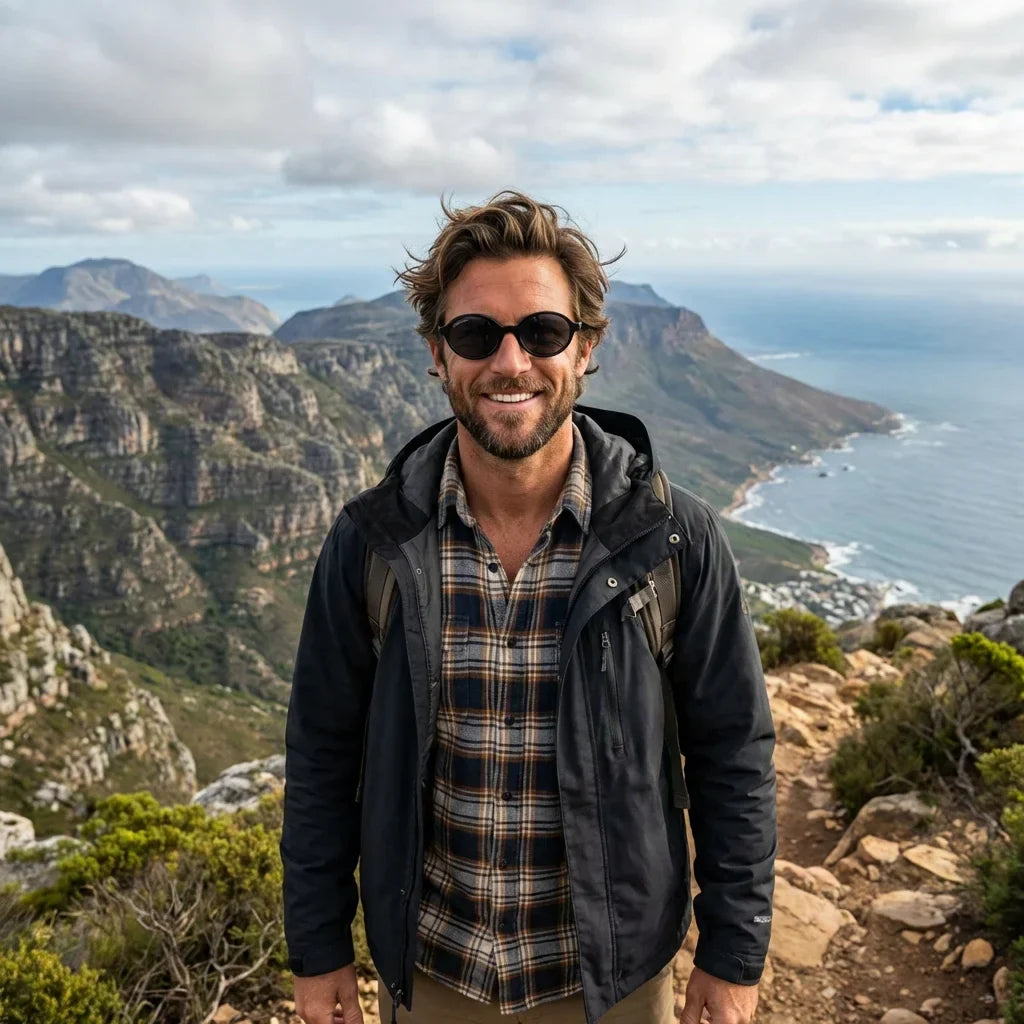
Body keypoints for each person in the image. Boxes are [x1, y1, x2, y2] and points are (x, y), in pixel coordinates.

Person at [282, 191, 776, 1024]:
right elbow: (323, 756)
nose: (511, 362)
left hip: (613, 983)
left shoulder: (672, 537)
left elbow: (734, 752)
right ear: (438, 354)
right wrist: (319, 947)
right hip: (437, 976)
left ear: (586, 348)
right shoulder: (373, 541)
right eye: (476, 334)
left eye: (542, 332)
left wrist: (733, 955)